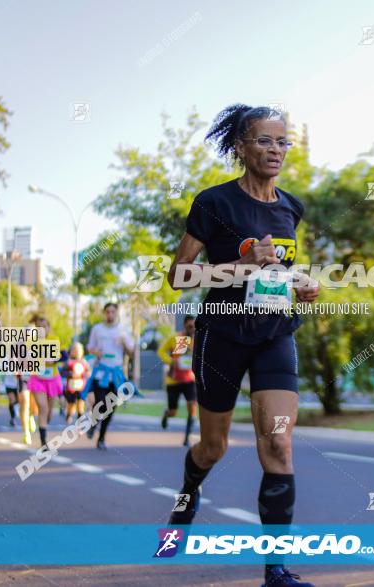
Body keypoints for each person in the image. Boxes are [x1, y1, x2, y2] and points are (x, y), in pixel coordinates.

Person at [164, 104, 319, 587]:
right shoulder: (213, 203)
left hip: (274, 333)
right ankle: (189, 494)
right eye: (264, 141)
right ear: (241, 147)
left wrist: (304, 284)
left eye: (282, 142)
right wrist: (243, 266)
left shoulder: (290, 207)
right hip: (222, 334)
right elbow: (179, 276)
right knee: (214, 446)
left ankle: (275, 569)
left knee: (278, 442)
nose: (275, 150)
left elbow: (285, 269)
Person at [83, 302, 133, 450]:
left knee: (111, 407)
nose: (110, 315)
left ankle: (101, 438)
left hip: (116, 374)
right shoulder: (97, 329)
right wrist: (96, 352)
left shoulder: (124, 330)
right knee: (101, 403)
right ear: (104, 313)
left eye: (113, 312)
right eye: (108, 312)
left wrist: (124, 343)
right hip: (101, 372)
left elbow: (130, 352)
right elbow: (89, 347)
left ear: (117, 313)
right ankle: (94, 422)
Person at [157, 316, 198, 446]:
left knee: (192, 406)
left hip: (189, 379)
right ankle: (166, 414)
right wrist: (171, 361)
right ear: (185, 325)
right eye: (189, 326)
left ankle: (187, 437)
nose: (192, 329)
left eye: (194, 326)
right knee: (173, 412)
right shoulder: (179, 338)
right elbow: (161, 351)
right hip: (174, 380)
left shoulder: (197, 340)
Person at [26, 316, 62, 448]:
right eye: (39, 327)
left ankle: (43, 425)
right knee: (43, 408)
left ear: (49, 328)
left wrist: (54, 359)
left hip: (52, 379)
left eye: (45, 327)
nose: (42, 329)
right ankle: (43, 441)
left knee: (49, 412)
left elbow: (57, 356)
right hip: (37, 379)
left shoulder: (54, 340)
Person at [64, 342, 90, 425]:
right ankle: (69, 414)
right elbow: (63, 372)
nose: (77, 352)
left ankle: (80, 420)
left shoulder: (84, 362)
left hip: (81, 386)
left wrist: (85, 374)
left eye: (78, 350)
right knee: (71, 404)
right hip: (71, 387)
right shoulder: (69, 362)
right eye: (75, 350)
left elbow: (88, 372)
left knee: (80, 403)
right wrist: (70, 374)